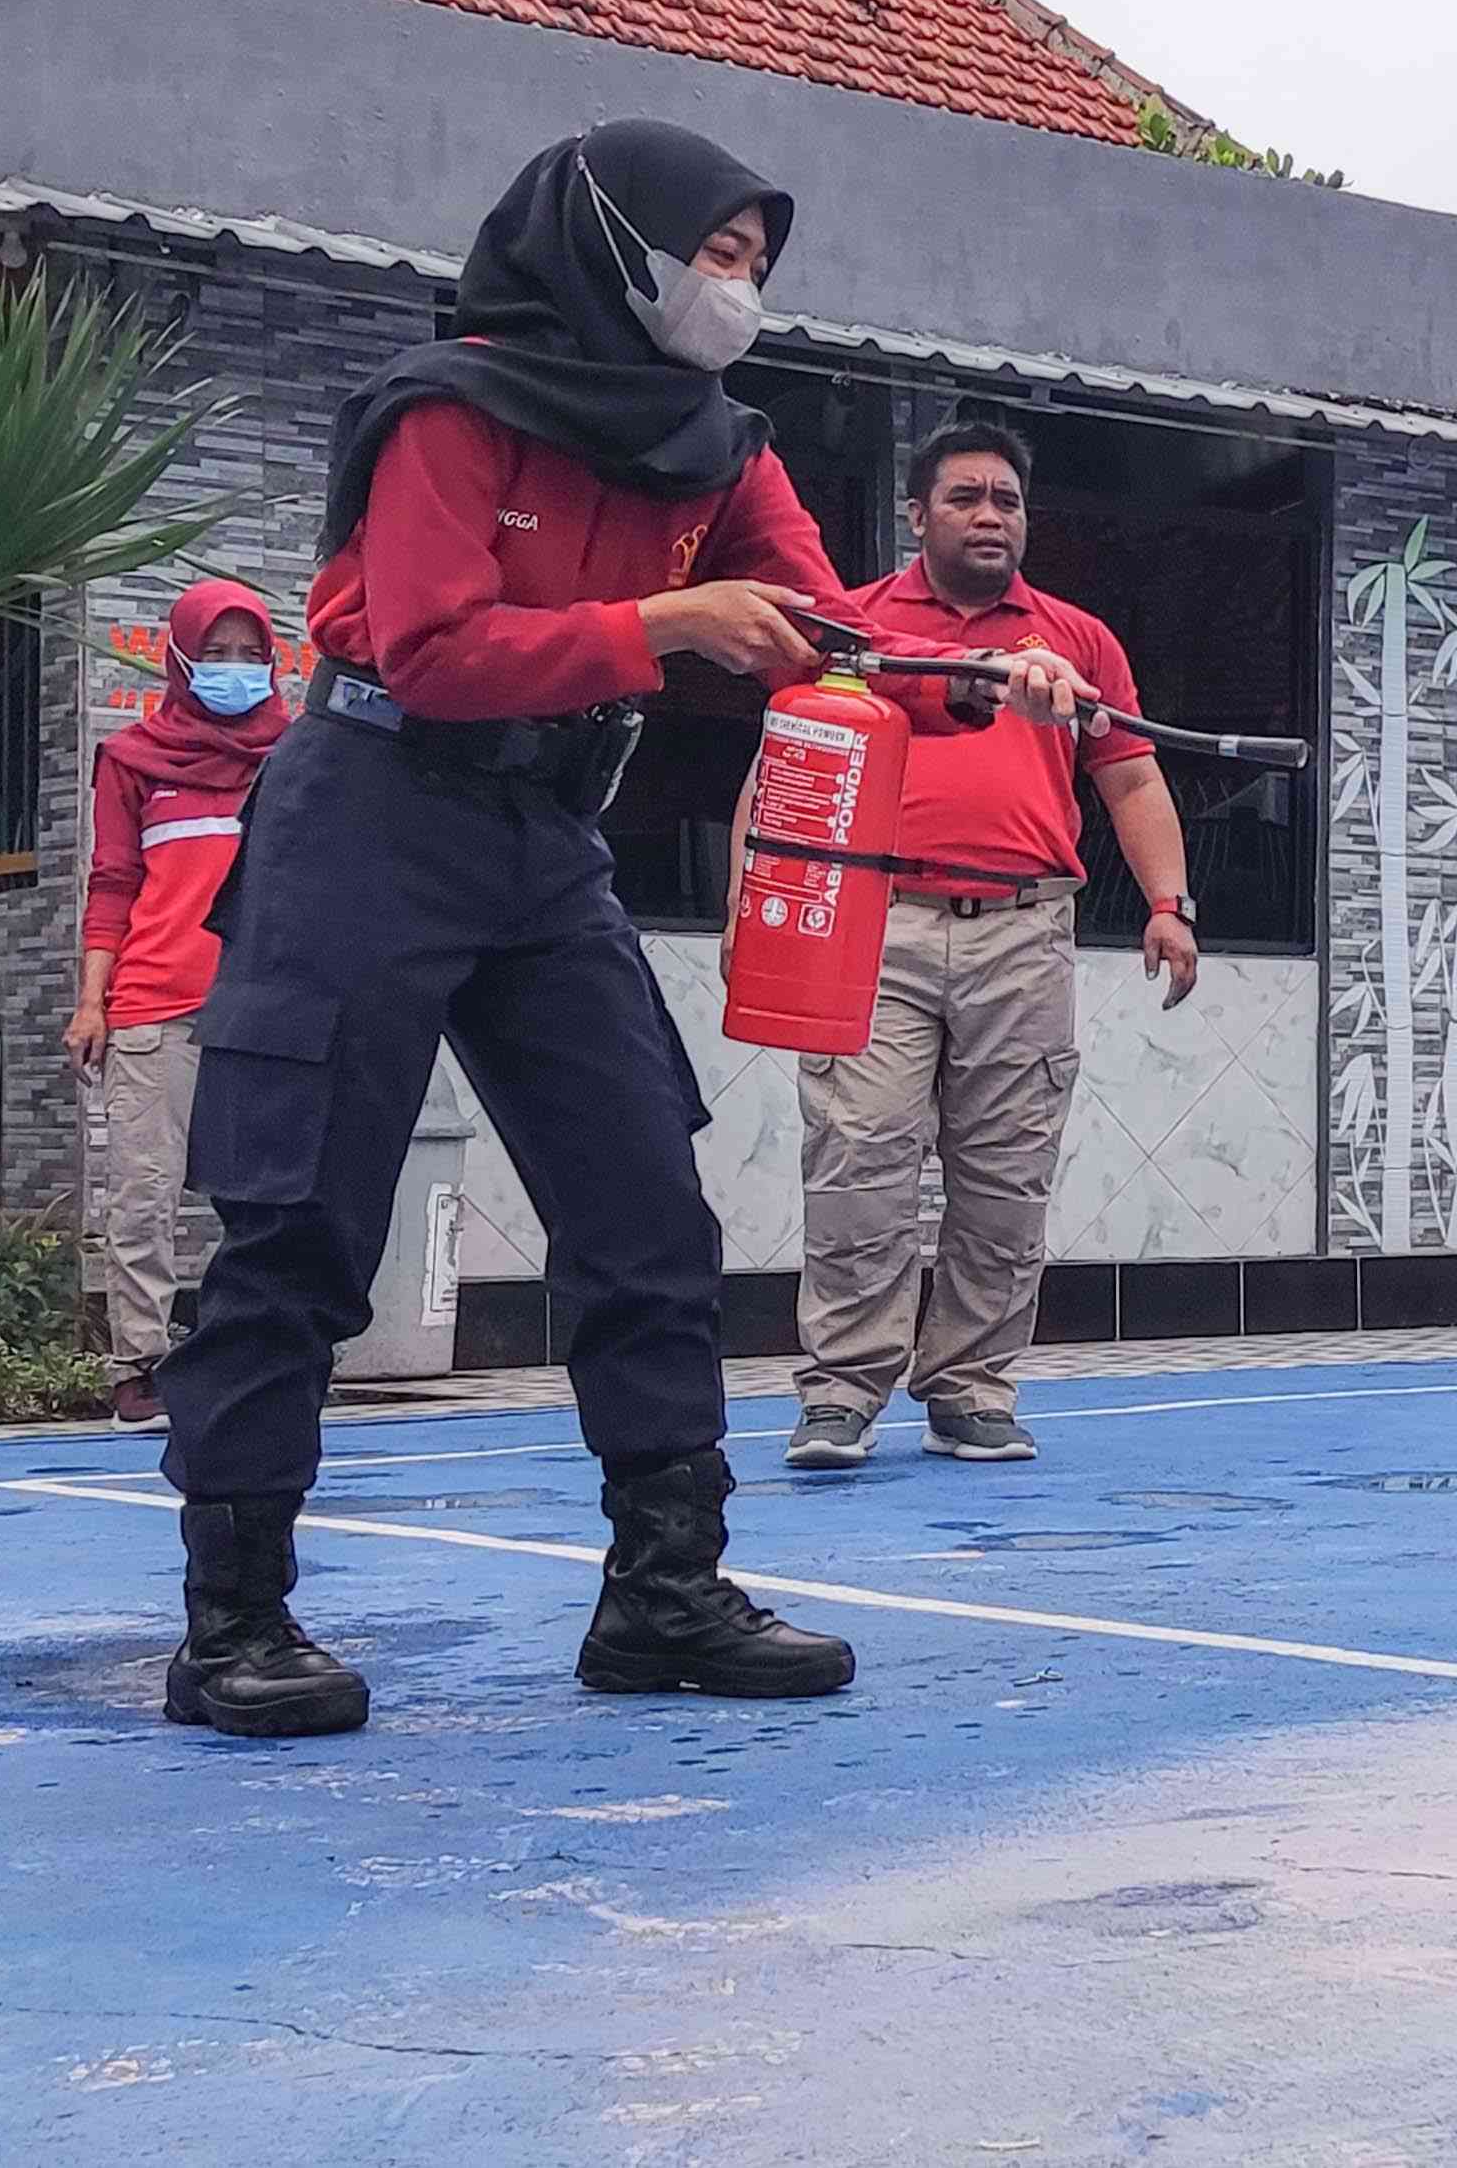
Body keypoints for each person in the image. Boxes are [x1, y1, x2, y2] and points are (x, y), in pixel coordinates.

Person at [154, 119, 939, 1740]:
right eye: (712, 254)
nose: (733, 290)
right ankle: (235, 1617)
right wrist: (657, 622)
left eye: (752, 264)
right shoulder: (445, 416)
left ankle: (662, 1586)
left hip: (541, 830)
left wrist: (998, 673)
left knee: (645, 1195)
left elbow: (822, 632)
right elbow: (432, 648)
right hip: (371, 799)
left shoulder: (719, 441)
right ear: (607, 241)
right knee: (297, 1214)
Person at [780, 412, 1197, 1472]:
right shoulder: (857, 627)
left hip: (1024, 931)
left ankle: (970, 1387)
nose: (987, 515)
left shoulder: (1076, 641)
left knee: (1006, 1178)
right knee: (858, 1162)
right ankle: (840, 1395)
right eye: (964, 497)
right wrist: (762, 918)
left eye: (1006, 500)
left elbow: (1132, 776)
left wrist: (1168, 904)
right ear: (917, 513)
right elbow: (792, 771)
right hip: (877, 925)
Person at [69, 578, 291, 1435]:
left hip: (267, 1012)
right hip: (155, 1006)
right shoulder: (133, 760)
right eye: (216, 654)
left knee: (267, 1200)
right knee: (143, 1197)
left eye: (250, 655)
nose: (233, 670)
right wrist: (93, 1003)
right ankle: (140, 1365)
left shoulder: (296, 757)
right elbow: (113, 886)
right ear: (180, 659)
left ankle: (255, 1358)